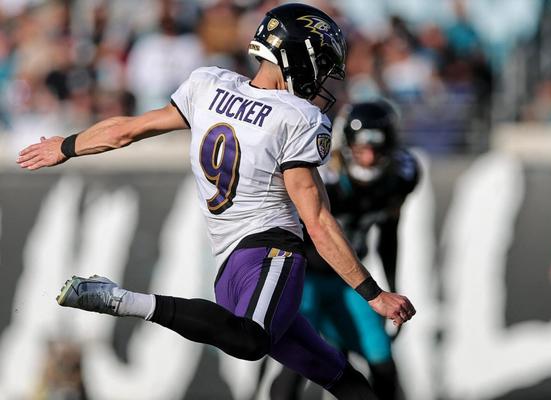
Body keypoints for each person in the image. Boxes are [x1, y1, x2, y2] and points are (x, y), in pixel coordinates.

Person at [15, 4, 415, 400]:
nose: (323, 77)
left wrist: (68, 145)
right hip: (272, 254)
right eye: (322, 63)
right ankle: (122, 300)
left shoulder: (210, 85)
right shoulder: (298, 117)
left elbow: (127, 130)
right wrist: (374, 294)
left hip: (230, 264)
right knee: (253, 342)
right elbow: (317, 220)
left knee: (343, 380)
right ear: (297, 56)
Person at [270, 100, 419, 400]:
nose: (370, 156)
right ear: (347, 144)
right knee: (298, 363)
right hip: (305, 276)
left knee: (381, 357)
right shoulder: (325, 175)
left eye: (377, 148)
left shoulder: (401, 176)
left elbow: (389, 235)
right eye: (363, 147)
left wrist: (390, 287)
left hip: (351, 280)